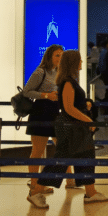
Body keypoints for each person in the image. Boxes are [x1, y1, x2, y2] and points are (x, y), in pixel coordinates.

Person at [28, 50, 108, 208]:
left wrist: (85, 104)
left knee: (86, 157)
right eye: (79, 60)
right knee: (61, 161)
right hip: (71, 128)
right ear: (72, 63)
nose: (82, 63)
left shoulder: (70, 80)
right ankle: (35, 192)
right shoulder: (67, 82)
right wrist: (88, 120)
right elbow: (69, 108)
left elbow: (71, 103)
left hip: (75, 128)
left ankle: (91, 192)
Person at [24, 44, 78, 194]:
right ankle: (35, 184)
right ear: (49, 56)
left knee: (63, 146)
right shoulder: (40, 72)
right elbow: (26, 92)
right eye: (57, 55)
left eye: (62, 55)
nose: (60, 58)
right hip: (40, 113)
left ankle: (70, 180)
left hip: (54, 113)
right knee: (38, 150)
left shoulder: (59, 73)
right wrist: (46, 95)